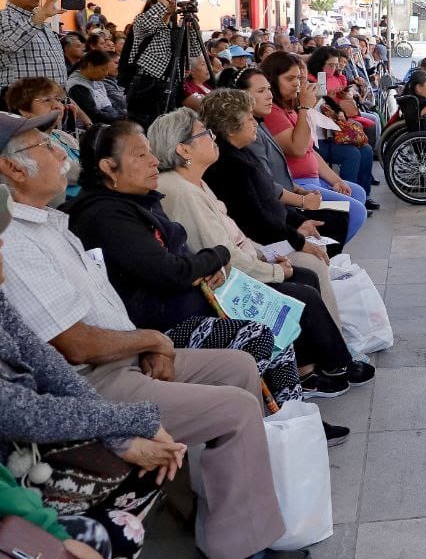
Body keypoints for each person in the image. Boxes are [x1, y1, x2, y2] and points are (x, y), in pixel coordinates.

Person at [0, 132, 312, 559]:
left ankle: (224, 512)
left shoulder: (50, 222)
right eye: (46, 146)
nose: (60, 150)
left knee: (239, 365)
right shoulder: (25, 239)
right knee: (237, 407)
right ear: (12, 169)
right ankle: (235, 558)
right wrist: (151, 343)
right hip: (96, 375)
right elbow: (72, 347)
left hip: (125, 354)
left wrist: (147, 343)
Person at [64, 121, 319, 405]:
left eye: (150, 152)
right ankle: (269, 417)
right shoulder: (106, 216)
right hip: (159, 327)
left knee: (276, 315)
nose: (154, 161)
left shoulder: (138, 200)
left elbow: (181, 257)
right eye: (140, 155)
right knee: (261, 333)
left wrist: (215, 266)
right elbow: (172, 272)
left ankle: (292, 411)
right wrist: (219, 255)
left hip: (190, 305)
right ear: (108, 167)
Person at [150, 105, 371, 401]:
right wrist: (276, 269)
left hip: (247, 259)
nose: (212, 137)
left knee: (305, 276)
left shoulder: (196, 181)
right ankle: (328, 367)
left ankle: (322, 365)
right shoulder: (182, 190)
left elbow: (236, 234)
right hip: (223, 283)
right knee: (300, 288)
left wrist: (268, 257)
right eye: (204, 134)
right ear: (183, 150)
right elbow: (223, 252)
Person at [237, 68, 358, 246]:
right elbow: (268, 180)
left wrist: (302, 191)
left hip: (292, 192)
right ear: (242, 96)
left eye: (269, 89)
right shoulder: (253, 128)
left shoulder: (261, 121)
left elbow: (306, 153)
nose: (298, 83)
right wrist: (302, 199)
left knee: (347, 207)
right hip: (280, 205)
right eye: (261, 91)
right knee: (346, 215)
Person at [259, 52, 378, 212]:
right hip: (299, 183)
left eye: (300, 78)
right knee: (356, 210)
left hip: (313, 176)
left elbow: (310, 152)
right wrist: (305, 108)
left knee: (358, 192)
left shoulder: (290, 108)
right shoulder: (274, 111)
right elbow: (298, 149)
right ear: (273, 80)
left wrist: (336, 180)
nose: (298, 84)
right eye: (290, 79)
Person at [121, 0, 203, 129]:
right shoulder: (143, 23)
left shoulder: (175, 28)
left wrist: (191, 27)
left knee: (166, 130)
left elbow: (195, 50)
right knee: (147, 129)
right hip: (146, 86)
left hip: (171, 85)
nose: (172, 1)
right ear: (154, 4)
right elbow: (146, 21)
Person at [5, 77, 82, 205]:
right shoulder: (25, 145)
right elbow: (72, 172)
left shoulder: (63, 136)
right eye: (46, 100)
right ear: (24, 110)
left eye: (58, 99)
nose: (57, 105)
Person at [2, 0, 68, 91]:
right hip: (21, 103)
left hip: (53, 100)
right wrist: (41, 16)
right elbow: (10, 45)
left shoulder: (38, 20)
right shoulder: (4, 17)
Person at [67, 50, 128, 125]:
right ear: (90, 65)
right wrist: (121, 118)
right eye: (103, 69)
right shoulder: (78, 87)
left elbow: (110, 104)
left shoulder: (96, 80)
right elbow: (94, 115)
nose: (106, 73)